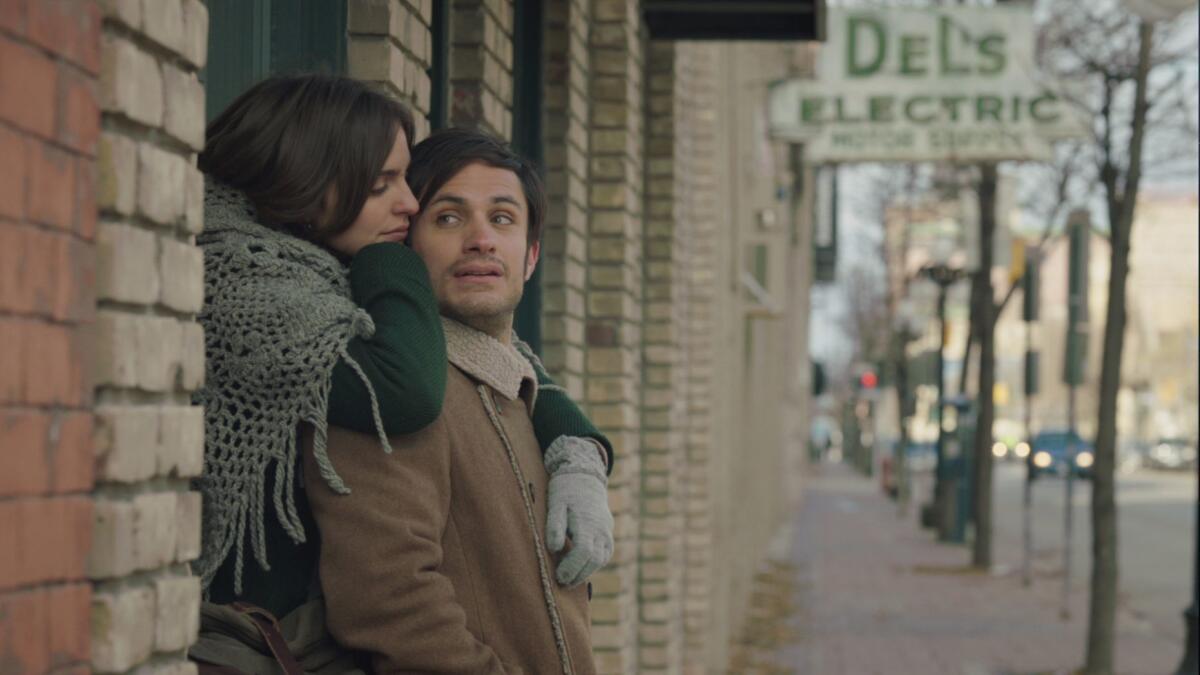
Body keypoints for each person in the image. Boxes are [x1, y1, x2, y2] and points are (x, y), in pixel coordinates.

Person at [191, 74, 612, 636]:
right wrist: (396, 260)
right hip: (238, 638)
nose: (408, 203)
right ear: (314, 180)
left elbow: (514, 362)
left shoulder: (315, 279)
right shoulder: (244, 282)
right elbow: (404, 388)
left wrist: (579, 454)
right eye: (383, 182)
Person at [304, 129, 605, 674]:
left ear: (531, 256)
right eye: (448, 217)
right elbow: (390, 600)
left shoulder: (517, 386)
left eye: (503, 218)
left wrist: (583, 455)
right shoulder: (392, 386)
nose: (481, 240)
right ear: (404, 241)